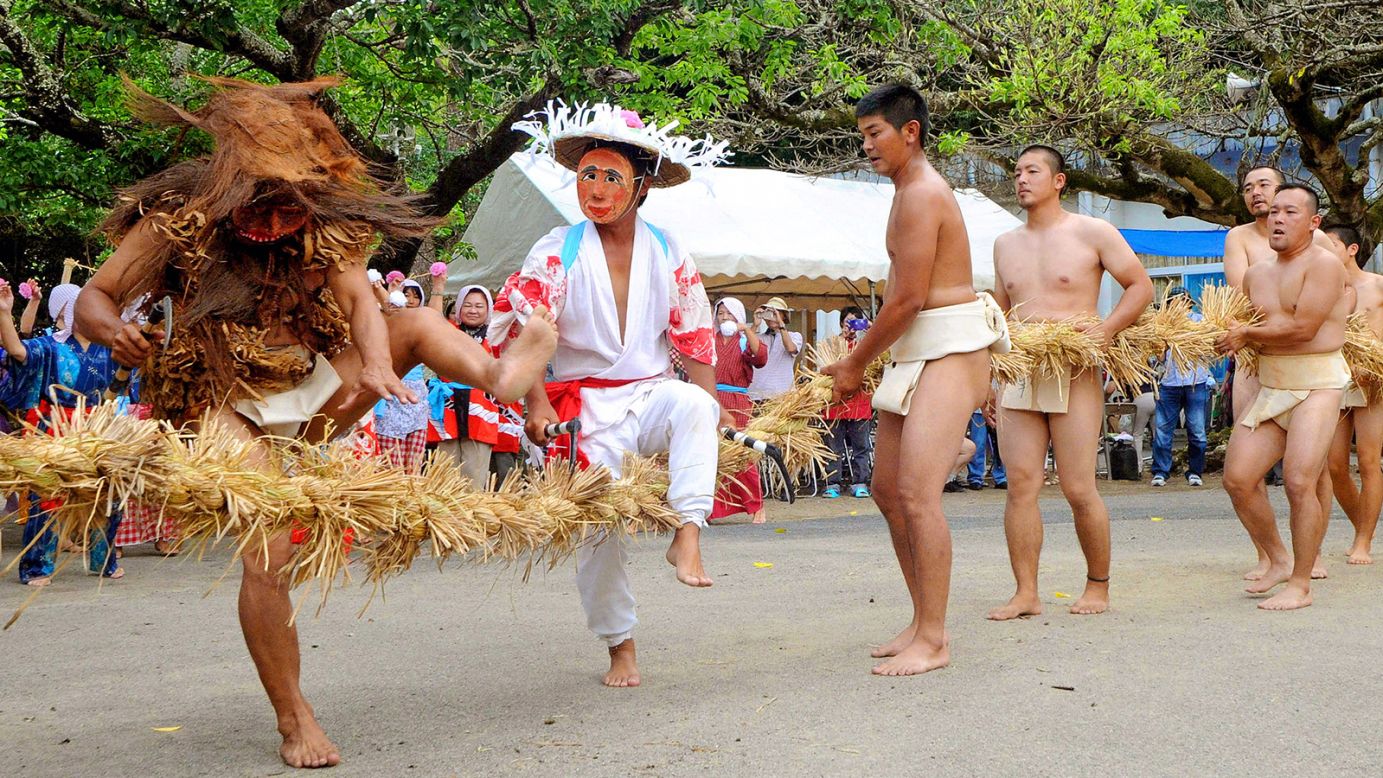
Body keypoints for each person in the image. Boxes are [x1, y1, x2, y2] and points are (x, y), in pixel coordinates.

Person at [75, 77, 555, 768]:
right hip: (216, 399)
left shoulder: (328, 221)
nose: (273, 219)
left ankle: (501, 377)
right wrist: (114, 328)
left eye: (287, 202)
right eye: (260, 199)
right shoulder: (178, 218)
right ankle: (294, 717)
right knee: (270, 554)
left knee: (414, 321)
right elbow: (94, 296)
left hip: (308, 389)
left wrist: (378, 361)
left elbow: (361, 301)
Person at [494, 100, 734, 688]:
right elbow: (530, 334)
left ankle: (688, 534)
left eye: (611, 178)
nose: (596, 190)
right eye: (588, 176)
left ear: (642, 187)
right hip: (583, 411)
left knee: (698, 404)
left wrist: (712, 418)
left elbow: (695, 334)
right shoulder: (557, 250)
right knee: (599, 530)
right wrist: (538, 407)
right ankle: (619, 645)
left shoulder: (669, 249)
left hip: (650, 394)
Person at [822, 84, 1009, 676]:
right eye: (862, 136)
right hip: (917, 349)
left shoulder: (924, 192)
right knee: (885, 489)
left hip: (951, 345)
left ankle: (935, 637)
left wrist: (853, 366)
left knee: (916, 495)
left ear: (911, 131)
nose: (867, 146)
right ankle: (920, 617)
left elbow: (906, 299)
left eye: (875, 133)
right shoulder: (906, 192)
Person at [988, 144, 1153, 620]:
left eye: (1032, 171)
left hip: (1076, 366)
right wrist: (989, 379)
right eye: (1017, 172)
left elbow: (1139, 285)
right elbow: (1000, 312)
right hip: (1021, 369)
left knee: (1079, 486)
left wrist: (1105, 329)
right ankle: (1026, 592)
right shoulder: (1004, 243)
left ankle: (1097, 586)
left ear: (1058, 181)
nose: (1021, 179)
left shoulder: (1093, 231)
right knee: (1020, 484)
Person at [1218, 184, 1350, 610]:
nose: (1277, 218)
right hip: (1273, 384)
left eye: (1289, 212)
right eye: (1274, 211)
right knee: (1237, 479)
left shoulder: (1326, 266)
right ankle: (1276, 558)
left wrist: (1245, 334)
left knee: (1298, 481)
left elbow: (1303, 328)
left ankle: (1300, 583)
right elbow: (1239, 324)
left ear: (1313, 222)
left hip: (1318, 382)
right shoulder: (1256, 274)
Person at [0, 281, 124, 585]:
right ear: (66, 312)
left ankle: (102, 560)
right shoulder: (49, 346)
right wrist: (4, 312)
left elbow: (120, 381)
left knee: (109, 494)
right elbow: (16, 350)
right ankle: (37, 566)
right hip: (54, 428)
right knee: (47, 496)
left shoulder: (106, 348)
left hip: (95, 428)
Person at [1323, 223, 1383, 565]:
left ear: (1351, 249)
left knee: (1370, 460)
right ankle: (1364, 527)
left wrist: (1376, 364)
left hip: (1373, 377)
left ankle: (1363, 540)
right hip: (1334, 378)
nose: (1324, 250)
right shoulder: (1325, 290)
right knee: (1334, 465)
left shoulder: (1377, 286)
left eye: (1330, 244)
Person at [431, 285, 501, 487]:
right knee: (445, 473)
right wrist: (438, 285)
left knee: (474, 474)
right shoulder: (449, 332)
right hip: (449, 406)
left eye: (479, 306)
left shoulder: (496, 337)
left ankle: (472, 516)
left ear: (488, 310)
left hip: (480, 409)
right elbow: (432, 320)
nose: (473, 310)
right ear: (459, 307)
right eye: (467, 305)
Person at [710, 297, 769, 523]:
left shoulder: (744, 340)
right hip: (710, 399)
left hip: (736, 401)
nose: (724, 318)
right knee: (713, 456)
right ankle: (712, 510)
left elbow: (760, 358)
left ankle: (757, 506)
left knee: (742, 455)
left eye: (729, 313)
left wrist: (747, 330)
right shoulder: (709, 339)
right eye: (721, 313)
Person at [1150, 286, 1214, 488]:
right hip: (1169, 383)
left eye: (1183, 302)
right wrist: (1161, 348)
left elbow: (1210, 349)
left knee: (1197, 431)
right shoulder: (1161, 325)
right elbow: (1156, 358)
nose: (1180, 307)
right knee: (1162, 430)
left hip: (1196, 382)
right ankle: (1161, 472)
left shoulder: (1200, 322)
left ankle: (1195, 471)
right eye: (1174, 303)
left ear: (1189, 303)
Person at [824, 307, 875, 499]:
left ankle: (860, 483)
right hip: (835, 404)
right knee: (833, 446)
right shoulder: (830, 345)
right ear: (840, 323)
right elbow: (822, 368)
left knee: (861, 445)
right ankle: (832, 483)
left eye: (856, 322)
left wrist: (868, 327)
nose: (851, 327)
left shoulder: (866, 345)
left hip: (860, 403)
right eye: (848, 322)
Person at [747, 297, 802, 400]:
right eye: (769, 313)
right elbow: (743, 347)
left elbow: (791, 348)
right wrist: (755, 325)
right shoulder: (758, 338)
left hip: (782, 396)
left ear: (784, 316)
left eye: (776, 312)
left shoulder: (795, 336)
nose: (772, 316)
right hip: (756, 395)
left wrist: (781, 325)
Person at [967, 392, 1006, 489]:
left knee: (1000, 444)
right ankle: (975, 477)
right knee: (978, 444)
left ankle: (1001, 477)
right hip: (978, 409)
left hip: (1000, 407)